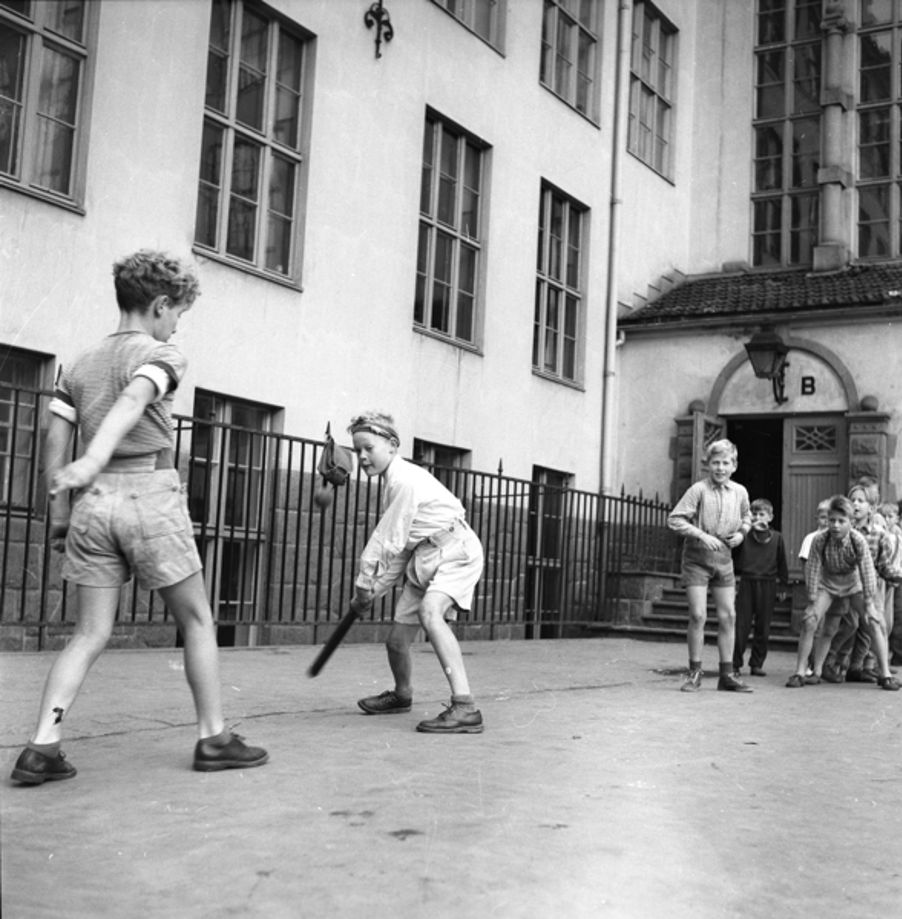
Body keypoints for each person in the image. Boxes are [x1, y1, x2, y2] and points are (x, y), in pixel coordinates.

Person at [10, 250, 268, 785]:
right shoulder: (161, 355)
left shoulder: (79, 363)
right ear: (160, 304)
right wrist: (96, 457)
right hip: (146, 494)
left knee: (88, 633)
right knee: (197, 619)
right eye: (178, 315)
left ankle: (41, 746)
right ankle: (214, 737)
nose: (176, 327)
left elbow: (51, 437)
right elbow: (134, 397)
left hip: (91, 507)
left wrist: (61, 511)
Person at [347, 411, 485, 733]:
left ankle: (465, 707)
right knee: (396, 641)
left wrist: (364, 587)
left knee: (430, 612)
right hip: (424, 556)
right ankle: (401, 695)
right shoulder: (392, 483)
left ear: (392, 445)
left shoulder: (404, 481)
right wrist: (371, 594)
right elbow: (399, 551)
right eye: (357, 451)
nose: (363, 457)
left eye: (368, 447)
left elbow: (385, 541)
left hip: (456, 551)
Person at [786, 494, 899, 690]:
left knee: (874, 621)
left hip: (854, 584)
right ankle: (804, 672)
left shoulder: (858, 540)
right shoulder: (820, 540)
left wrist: (870, 604)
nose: (836, 526)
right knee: (811, 620)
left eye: (841, 521)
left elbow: (867, 571)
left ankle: (885, 674)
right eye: (832, 521)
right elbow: (813, 569)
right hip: (828, 584)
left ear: (851, 522)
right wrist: (812, 601)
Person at [667, 438, 752, 692]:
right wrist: (702, 535)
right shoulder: (698, 490)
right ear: (708, 465)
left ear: (734, 465)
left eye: (726, 463)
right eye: (716, 463)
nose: (721, 468)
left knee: (728, 616)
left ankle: (727, 675)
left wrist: (742, 534)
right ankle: (694, 673)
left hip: (724, 560)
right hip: (697, 560)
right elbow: (675, 519)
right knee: (698, 615)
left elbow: (747, 515)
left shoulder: (740, 491)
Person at [731, 498, 789, 677]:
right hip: (748, 582)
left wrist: (783, 586)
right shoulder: (745, 536)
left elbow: (782, 563)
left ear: (770, 517)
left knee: (763, 627)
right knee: (741, 625)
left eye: (762, 514)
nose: (757, 517)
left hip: (768, 583)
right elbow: (733, 559)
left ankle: (756, 664)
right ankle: (735, 664)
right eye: (754, 514)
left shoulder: (777, 538)